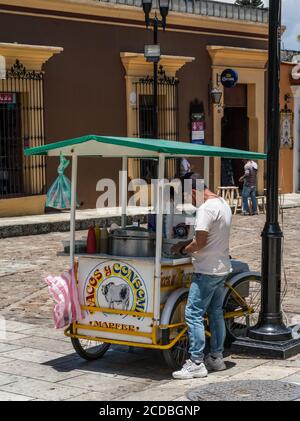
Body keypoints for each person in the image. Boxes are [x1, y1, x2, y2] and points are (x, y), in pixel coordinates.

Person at [171, 172, 232, 380]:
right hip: (221, 267)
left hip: (206, 270)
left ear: (194, 190)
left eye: (188, 196)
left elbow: (199, 242)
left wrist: (181, 248)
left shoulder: (206, 209)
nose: (190, 201)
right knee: (215, 312)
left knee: (193, 314)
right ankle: (216, 356)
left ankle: (196, 362)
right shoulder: (223, 203)